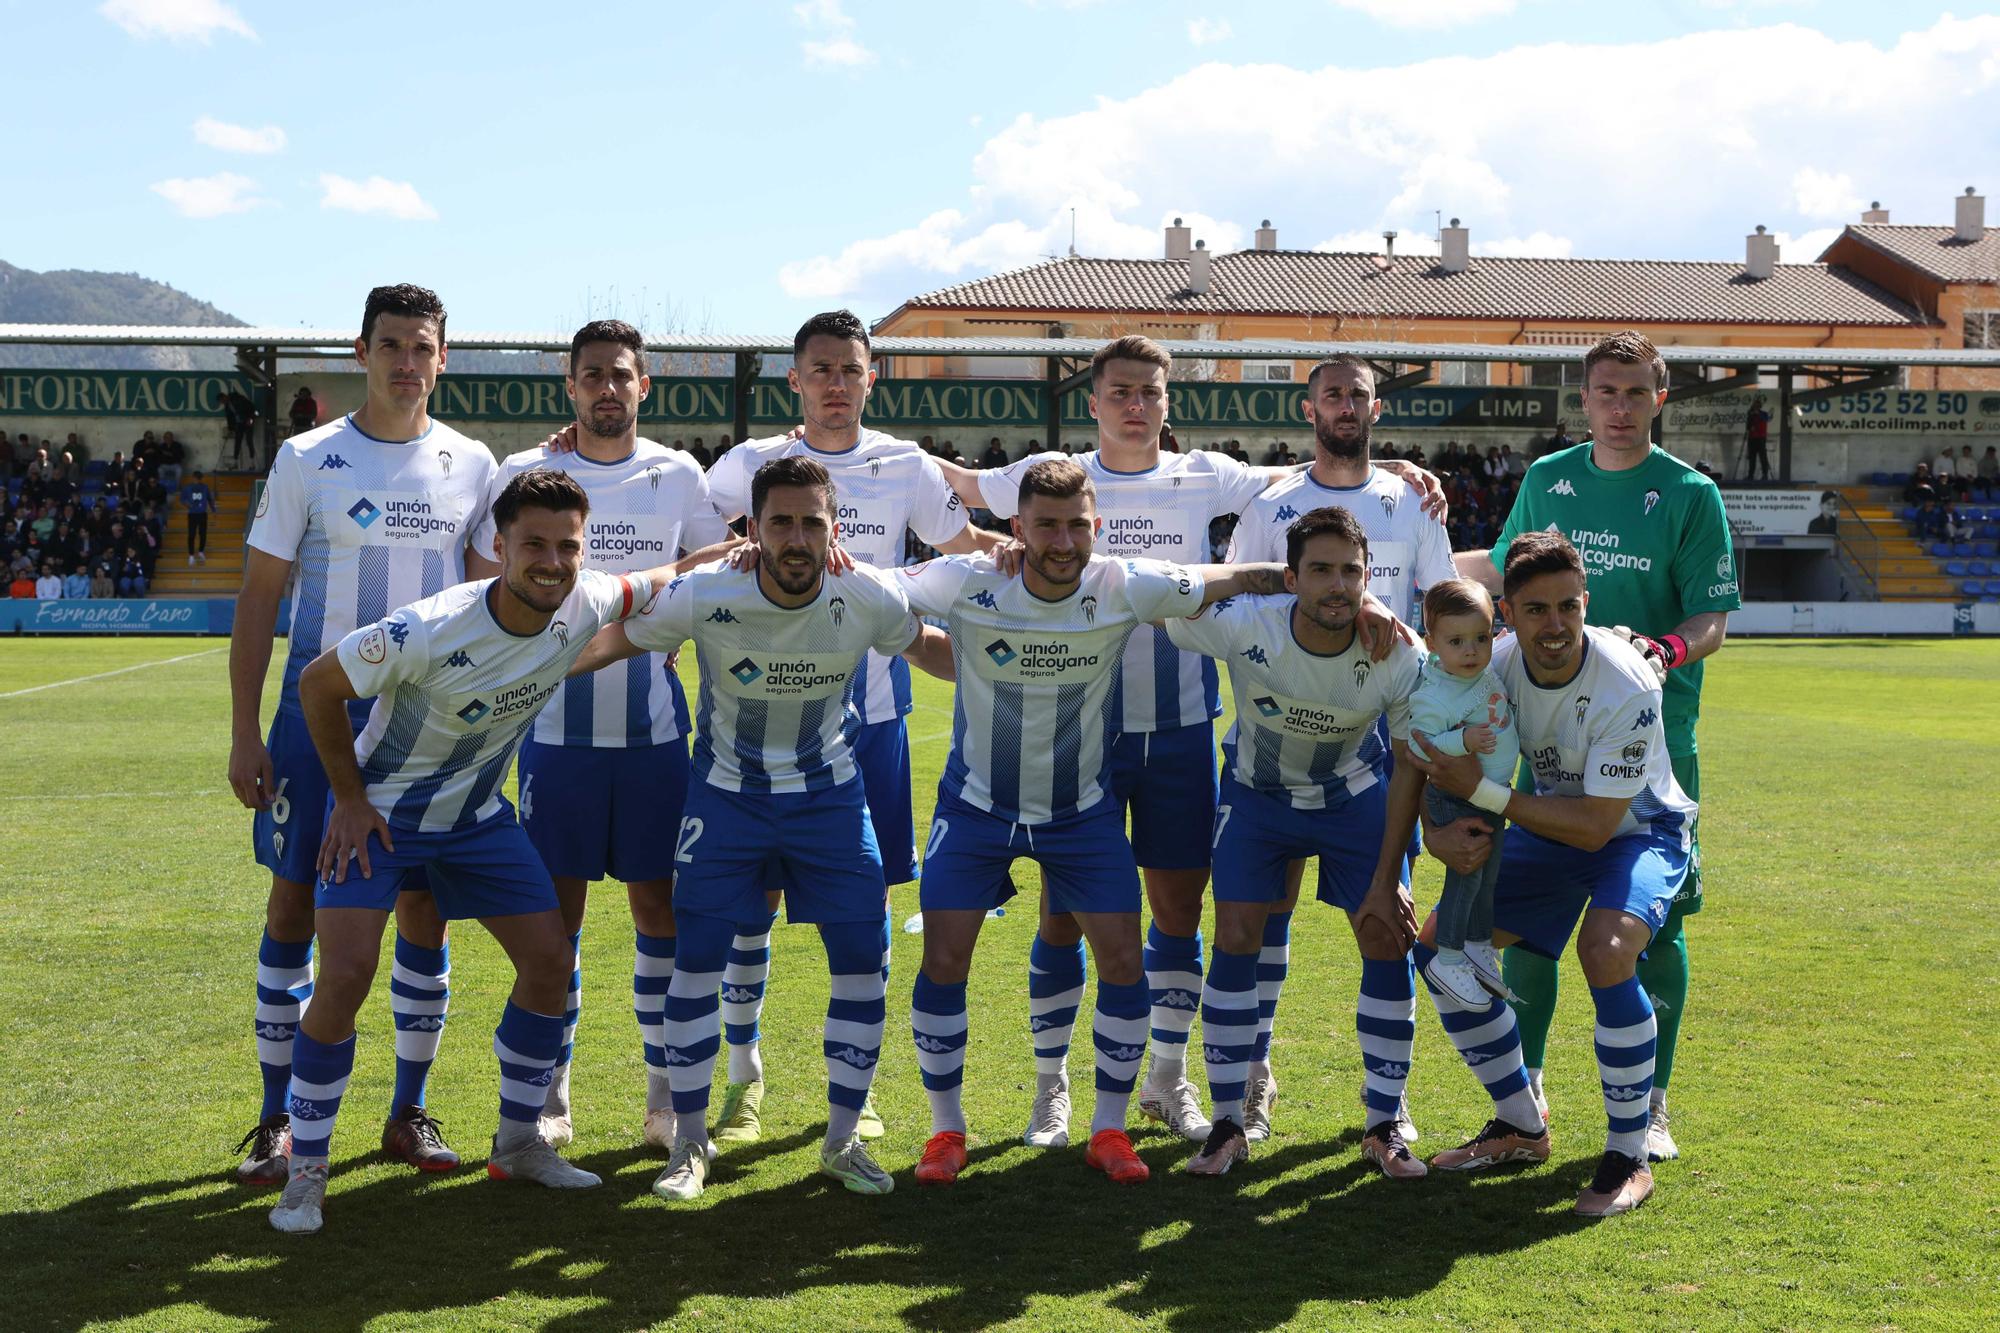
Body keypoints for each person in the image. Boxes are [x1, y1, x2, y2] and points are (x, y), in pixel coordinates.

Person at [943, 337, 1443, 1149]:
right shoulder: (1057, 476)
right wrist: (971, 534)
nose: (1135, 404)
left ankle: (1169, 1081)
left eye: (1150, 391)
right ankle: (1050, 1090)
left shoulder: (1213, 474)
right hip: (1083, 730)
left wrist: (1410, 481)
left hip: (1179, 730)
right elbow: (952, 485)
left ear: (1168, 402)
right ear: (1094, 400)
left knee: (1179, 913)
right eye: (1120, 391)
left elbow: (1323, 479)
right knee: (1063, 912)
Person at [270, 468, 667, 1234]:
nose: (553, 560)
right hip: (382, 816)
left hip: (478, 819)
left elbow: (663, 578)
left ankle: (519, 1141)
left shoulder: (585, 598)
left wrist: (743, 547)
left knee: (550, 960)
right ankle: (308, 1172)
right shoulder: (429, 626)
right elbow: (320, 685)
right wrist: (349, 800)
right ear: (499, 545)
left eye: (568, 545)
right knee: (346, 973)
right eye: (535, 545)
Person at [897, 457, 1290, 1186]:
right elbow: (878, 589)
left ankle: (1109, 1128)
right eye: (1045, 524)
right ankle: (945, 1129)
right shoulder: (970, 579)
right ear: (1017, 527)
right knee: (945, 960)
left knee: (1123, 961)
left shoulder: (1121, 582)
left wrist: (1329, 585)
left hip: (1079, 815)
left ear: (1096, 527)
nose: (1062, 540)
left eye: (1077, 524)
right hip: (976, 809)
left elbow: (1228, 579)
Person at [569, 455, 949, 1202]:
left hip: (831, 801)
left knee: (864, 959)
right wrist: (528, 668)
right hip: (726, 801)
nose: (798, 537)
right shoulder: (709, 592)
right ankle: (687, 1141)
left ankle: (842, 1140)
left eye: (813, 521)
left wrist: (1027, 670)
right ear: (754, 528)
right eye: (781, 521)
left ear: (834, 527)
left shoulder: (865, 592)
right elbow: (615, 640)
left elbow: (928, 648)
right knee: (696, 961)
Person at [678, 310, 1001, 1142]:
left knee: (861, 909)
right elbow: (692, 529)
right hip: (762, 718)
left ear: (870, 376)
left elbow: (959, 549)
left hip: (873, 719)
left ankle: (853, 1095)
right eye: (819, 369)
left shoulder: (903, 462)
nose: (834, 383)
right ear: (796, 379)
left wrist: (1028, 554)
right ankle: (744, 1076)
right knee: (750, 910)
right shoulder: (749, 465)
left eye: (849, 369)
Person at [228, 284, 499, 1189]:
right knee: (294, 906)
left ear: (443, 358)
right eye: (392, 344)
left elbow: (483, 602)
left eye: (423, 347)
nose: (407, 362)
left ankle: (407, 1110)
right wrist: (243, 732)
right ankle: (276, 1118)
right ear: (361, 350)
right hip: (319, 723)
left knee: (425, 908)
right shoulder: (308, 458)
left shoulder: (472, 462)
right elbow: (261, 602)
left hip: (428, 731)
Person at [1452, 330, 1736, 1164]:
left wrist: (1666, 650)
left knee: (1655, 922)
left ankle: (1650, 1103)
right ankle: (1527, 1090)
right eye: (1606, 393)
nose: (1620, 407)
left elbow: (1711, 618)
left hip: (1654, 733)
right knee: (1528, 921)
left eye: (1636, 392)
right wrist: (1404, 530)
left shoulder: (1690, 493)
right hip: (1545, 736)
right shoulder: (1548, 479)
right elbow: (1498, 571)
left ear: (1661, 399)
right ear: (1585, 400)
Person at [465, 320, 732, 1152]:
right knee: (558, 921)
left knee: (661, 910)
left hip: (652, 737)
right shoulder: (525, 474)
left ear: (643, 386)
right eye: (592, 375)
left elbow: (714, 563)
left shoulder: (677, 472)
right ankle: (551, 1094)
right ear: (569, 385)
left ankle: (661, 1097)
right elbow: (482, 579)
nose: (606, 387)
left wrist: (670, 628)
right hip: (553, 738)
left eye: (621, 374)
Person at [1403, 529, 1697, 1218]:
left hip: (1638, 830)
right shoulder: (1491, 663)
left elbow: (1597, 824)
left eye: (1569, 606)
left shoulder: (1626, 680)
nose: (1555, 624)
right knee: (1437, 945)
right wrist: (1435, 830)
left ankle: (1627, 1154)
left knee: (1605, 948)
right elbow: (1423, 746)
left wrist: (1484, 796)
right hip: (1546, 823)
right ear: (1508, 613)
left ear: (1585, 603)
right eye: (1536, 609)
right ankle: (1519, 1123)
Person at [1222, 354, 1457, 1144]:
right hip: (1274, 739)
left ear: (1376, 408)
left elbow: (1444, 606)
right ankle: (1252, 1078)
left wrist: (1395, 631)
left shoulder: (1412, 499)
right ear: (1309, 406)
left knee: (1384, 921)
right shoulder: (1273, 500)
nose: (1345, 405)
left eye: (1358, 394)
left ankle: (1386, 1112)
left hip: (1374, 744)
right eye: (1332, 394)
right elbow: (1240, 595)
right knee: (1261, 915)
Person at [1161, 506, 1428, 1180]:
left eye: (1351, 572)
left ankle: (1385, 1119)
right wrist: (1250, 577)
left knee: (1384, 929)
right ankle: (1226, 1122)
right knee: (1237, 934)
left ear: (1369, 579)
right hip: (1259, 797)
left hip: (1355, 799)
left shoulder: (1397, 650)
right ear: (1291, 577)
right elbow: (1169, 592)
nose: (1337, 586)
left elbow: (1409, 765)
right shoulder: (1249, 622)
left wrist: (1390, 871)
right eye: (1320, 570)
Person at [1407, 579, 1517, 1008]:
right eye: (1456, 641)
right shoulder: (1437, 692)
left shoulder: (1481, 669)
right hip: (1458, 800)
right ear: (1431, 642)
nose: (1471, 650)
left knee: (1488, 881)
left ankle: (1477, 944)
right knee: (1465, 882)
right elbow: (1418, 744)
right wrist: (1462, 741)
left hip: (1491, 795)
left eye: (1481, 638)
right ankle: (1447, 957)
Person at [183, 470, 217, 565]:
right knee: (191, 534)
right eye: (195, 478)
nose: (197, 480)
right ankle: (191, 555)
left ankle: (201, 551)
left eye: (198, 478)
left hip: (202, 513)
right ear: (193, 478)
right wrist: (188, 505)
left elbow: (209, 499)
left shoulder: (205, 488)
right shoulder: (188, 488)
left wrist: (213, 509)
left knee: (203, 534)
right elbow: (183, 499)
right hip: (192, 514)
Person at [1742, 396, 1772, 481]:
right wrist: (1751, 417)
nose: (1756, 407)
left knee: (1763, 457)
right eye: (1754, 406)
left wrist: (1758, 413)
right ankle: (1750, 475)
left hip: (1761, 438)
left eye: (1757, 406)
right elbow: (1748, 426)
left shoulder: (1764, 414)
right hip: (1752, 438)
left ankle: (1765, 475)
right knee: (1752, 458)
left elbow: (1765, 419)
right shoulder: (1751, 414)